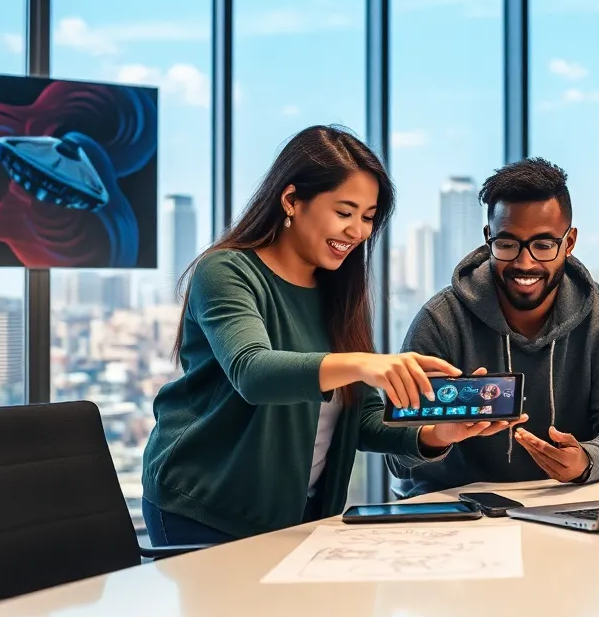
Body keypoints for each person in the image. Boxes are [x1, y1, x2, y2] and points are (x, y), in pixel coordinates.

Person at [141, 126, 514, 546]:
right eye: (344, 212)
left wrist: (436, 435)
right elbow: (252, 372)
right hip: (203, 506)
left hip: (299, 514)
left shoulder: (340, 295)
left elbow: (362, 421)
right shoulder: (226, 271)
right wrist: (364, 364)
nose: (358, 231)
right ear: (291, 201)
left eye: (368, 217)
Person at [386, 157, 599, 498]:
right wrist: (438, 436)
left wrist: (587, 460)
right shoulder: (440, 321)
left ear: (569, 242)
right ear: (488, 238)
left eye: (543, 245)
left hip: (560, 503)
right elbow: (396, 455)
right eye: (507, 244)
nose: (525, 262)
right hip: (454, 510)